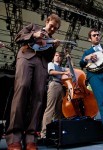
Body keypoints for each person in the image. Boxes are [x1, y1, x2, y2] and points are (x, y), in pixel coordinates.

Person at [5, 13, 61, 150]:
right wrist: (34, 35)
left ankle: (31, 137)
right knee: (22, 88)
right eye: (52, 26)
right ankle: (14, 137)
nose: (53, 29)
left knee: (38, 96)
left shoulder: (51, 40)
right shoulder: (33, 27)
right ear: (47, 21)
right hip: (26, 57)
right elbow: (18, 37)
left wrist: (54, 47)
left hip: (41, 65)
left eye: (55, 28)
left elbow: (49, 58)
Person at [39, 52, 70, 142]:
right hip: (53, 84)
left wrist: (69, 58)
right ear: (53, 57)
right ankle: (44, 133)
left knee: (59, 110)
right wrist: (63, 72)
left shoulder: (62, 67)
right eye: (56, 55)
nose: (58, 57)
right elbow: (51, 72)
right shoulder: (51, 64)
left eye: (60, 56)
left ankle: (57, 132)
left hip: (61, 86)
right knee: (50, 108)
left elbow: (70, 69)